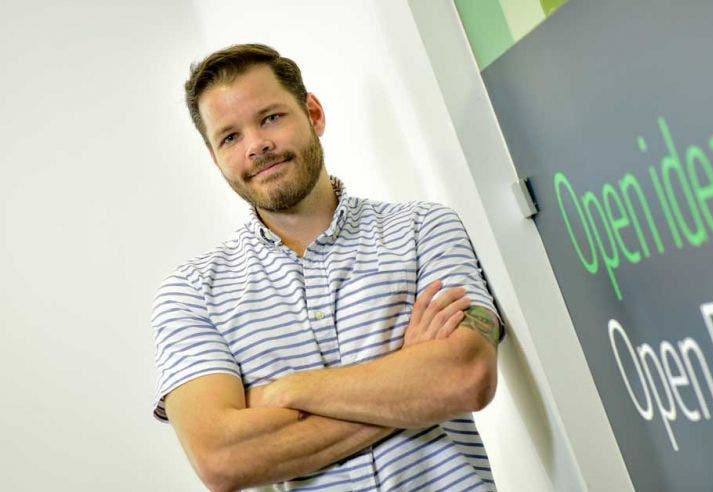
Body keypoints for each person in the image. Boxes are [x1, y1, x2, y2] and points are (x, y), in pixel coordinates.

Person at [151, 43, 502, 492]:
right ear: (215, 158)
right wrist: (409, 382)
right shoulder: (191, 294)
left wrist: (282, 392)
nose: (257, 145)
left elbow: (464, 378)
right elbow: (221, 461)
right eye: (230, 137)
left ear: (313, 114)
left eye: (271, 117)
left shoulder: (422, 228)